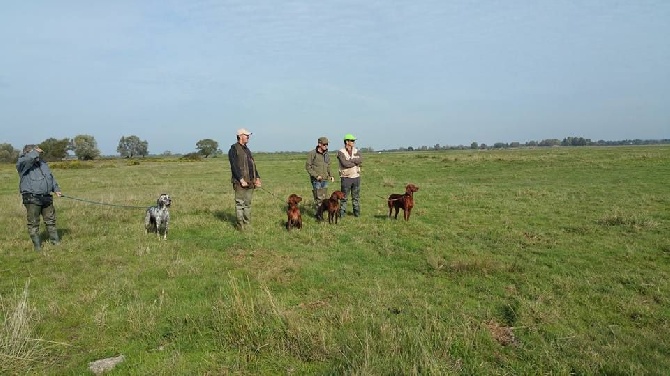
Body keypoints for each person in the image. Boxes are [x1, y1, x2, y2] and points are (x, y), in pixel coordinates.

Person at [16, 144, 62, 250]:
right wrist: (35, 152)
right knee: (33, 223)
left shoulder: (42, 163)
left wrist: (56, 189)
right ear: (28, 152)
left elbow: (50, 177)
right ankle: (37, 247)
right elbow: (29, 159)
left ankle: (56, 243)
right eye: (36, 152)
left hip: (46, 197)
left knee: (51, 220)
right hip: (31, 198)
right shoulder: (22, 163)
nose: (39, 154)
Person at [228, 128, 261, 230]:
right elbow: (234, 166)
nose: (248, 137)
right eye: (246, 135)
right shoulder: (233, 149)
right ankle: (240, 225)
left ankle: (247, 223)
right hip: (239, 182)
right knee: (240, 204)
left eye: (248, 135)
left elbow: (252, 165)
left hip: (251, 181)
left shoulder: (247, 149)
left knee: (248, 204)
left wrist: (258, 178)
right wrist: (241, 179)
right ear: (240, 136)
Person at [305, 136, 334, 217]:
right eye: (324, 144)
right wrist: (316, 176)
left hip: (325, 179)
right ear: (319, 144)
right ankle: (318, 216)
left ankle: (321, 214)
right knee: (318, 199)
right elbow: (308, 167)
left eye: (327, 144)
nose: (326, 146)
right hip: (316, 180)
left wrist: (331, 175)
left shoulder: (326, 154)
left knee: (324, 199)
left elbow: (328, 166)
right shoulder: (312, 153)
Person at [337, 133, 363, 217]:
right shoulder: (341, 152)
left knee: (356, 197)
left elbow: (361, 160)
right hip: (346, 178)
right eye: (352, 141)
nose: (353, 142)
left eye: (354, 141)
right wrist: (355, 161)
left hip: (356, 177)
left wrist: (351, 160)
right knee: (344, 198)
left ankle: (357, 214)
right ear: (347, 141)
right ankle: (342, 214)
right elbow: (345, 164)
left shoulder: (356, 150)